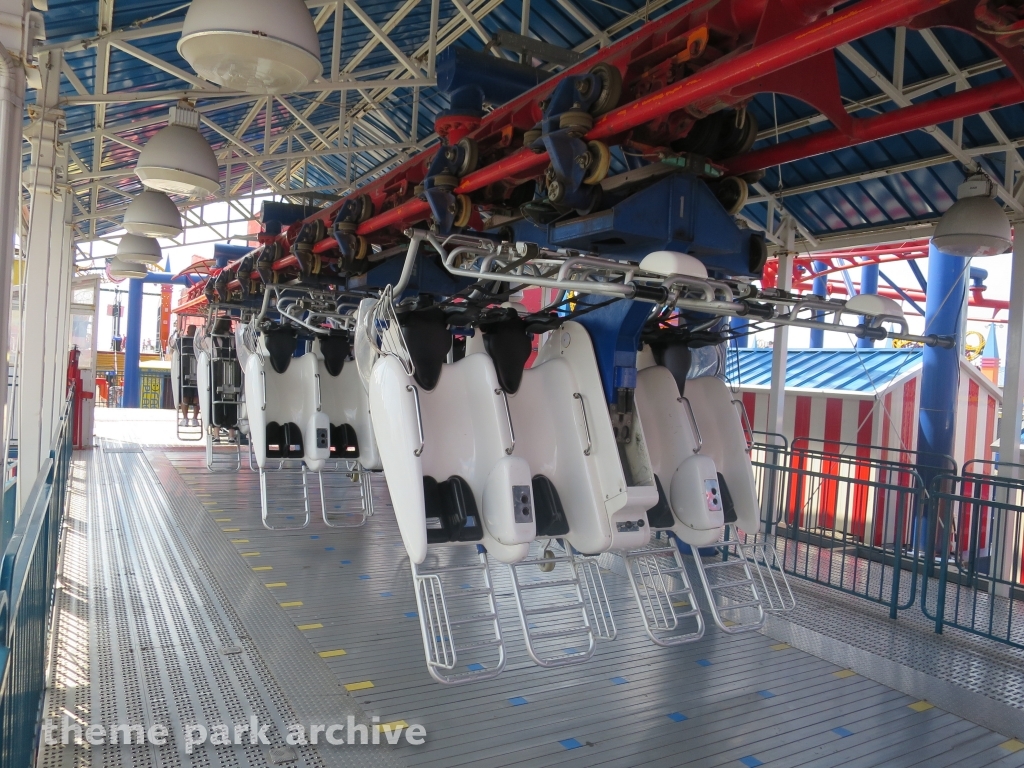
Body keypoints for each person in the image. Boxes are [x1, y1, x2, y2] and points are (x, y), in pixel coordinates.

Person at [180, 325, 200, 427]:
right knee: (195, 396)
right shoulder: (199, 342)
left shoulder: (182, 341)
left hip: (186, 371)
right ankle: (194, 418)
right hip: (196, 371)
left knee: (186, 396)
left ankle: (185, 418)